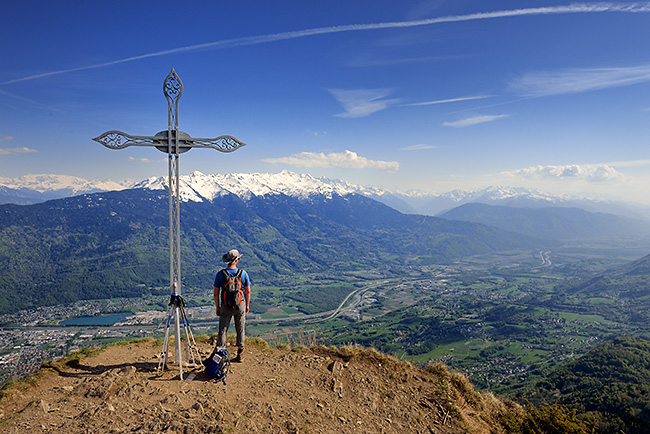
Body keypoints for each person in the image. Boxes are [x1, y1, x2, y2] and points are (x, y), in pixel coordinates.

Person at [213, 249, 252, 363]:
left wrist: (218, 307)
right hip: (240, 305)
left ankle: (220, 355)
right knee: (240, 329)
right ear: (236, 260)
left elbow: (216, 293)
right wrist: (247, 305)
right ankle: (240, 354)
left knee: (223, 330)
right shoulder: (243, 273)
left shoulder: (220, 274)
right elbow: (248, 291)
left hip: (226, 305)